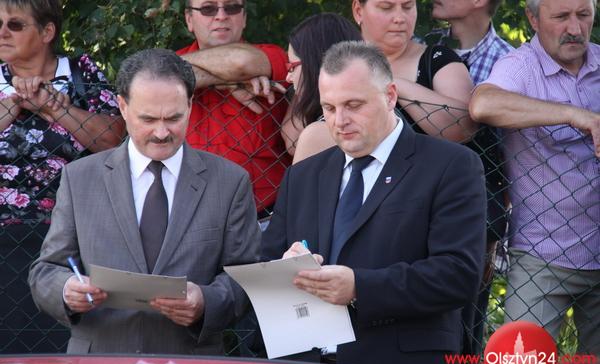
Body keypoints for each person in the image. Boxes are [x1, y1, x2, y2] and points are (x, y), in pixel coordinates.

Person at [262, 41, 487, 364]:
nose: (340, 120)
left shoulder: (451, 165)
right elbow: (267, 263)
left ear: (390, 96)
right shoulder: (303, 176)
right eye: (329, 108)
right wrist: (285, 268)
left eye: (354, 105)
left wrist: (359, 287)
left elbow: (459, 275)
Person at [28, 48, 260, 355]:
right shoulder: (80, 178)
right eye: (148, 119)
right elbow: (46, 270)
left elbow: (247, 276)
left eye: (174, 118)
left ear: (190, 105)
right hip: (100, 363)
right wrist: (66, 290)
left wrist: (207, 301)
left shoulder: (229, 182)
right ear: (123, 107)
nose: (161, 132)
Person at [470, 0, 600, 355]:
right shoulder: (520, 67)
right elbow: (482, 104)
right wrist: (572, 114)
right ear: (533, 18)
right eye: (561, 17)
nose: (574, 28)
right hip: (542, 257)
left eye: (584, 15)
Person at [0, 0, 125, 353]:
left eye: (14, 25)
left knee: (62, 348)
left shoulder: (80, 71)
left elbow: (113, 140)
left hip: (72, 233)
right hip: (3, 235)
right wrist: (12, 106)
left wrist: (56, 107)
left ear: (47, 32)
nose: (2, 33)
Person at [431, 0, 513, 364]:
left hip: (476, 216)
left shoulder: (507, 64)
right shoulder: (426, 46)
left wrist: (494, 234)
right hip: (421, 206)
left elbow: (506, 158)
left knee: (466, 324)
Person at [176, 0, 291, 217]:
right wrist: (228, 80)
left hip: (266, 215)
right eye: (208, 9)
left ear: (244, 18)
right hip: (192, 215)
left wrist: (189, 75)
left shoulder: (270, 55)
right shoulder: (169, 63)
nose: (221, 16)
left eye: (232, 7)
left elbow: (241, 62)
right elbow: (156, 75)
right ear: (189, 19)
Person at [352, 0, 478, 142]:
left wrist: (391, 83)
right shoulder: (337, 62)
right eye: (386, 8)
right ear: (358, 11)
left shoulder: (438, 59)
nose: (399, 18)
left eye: (407, 7)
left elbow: (464, 128)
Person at [280, 12, 362, 164]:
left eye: (291, 66)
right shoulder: (388, 115)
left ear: (314, 64)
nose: (288, 78)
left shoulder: (320, 133)